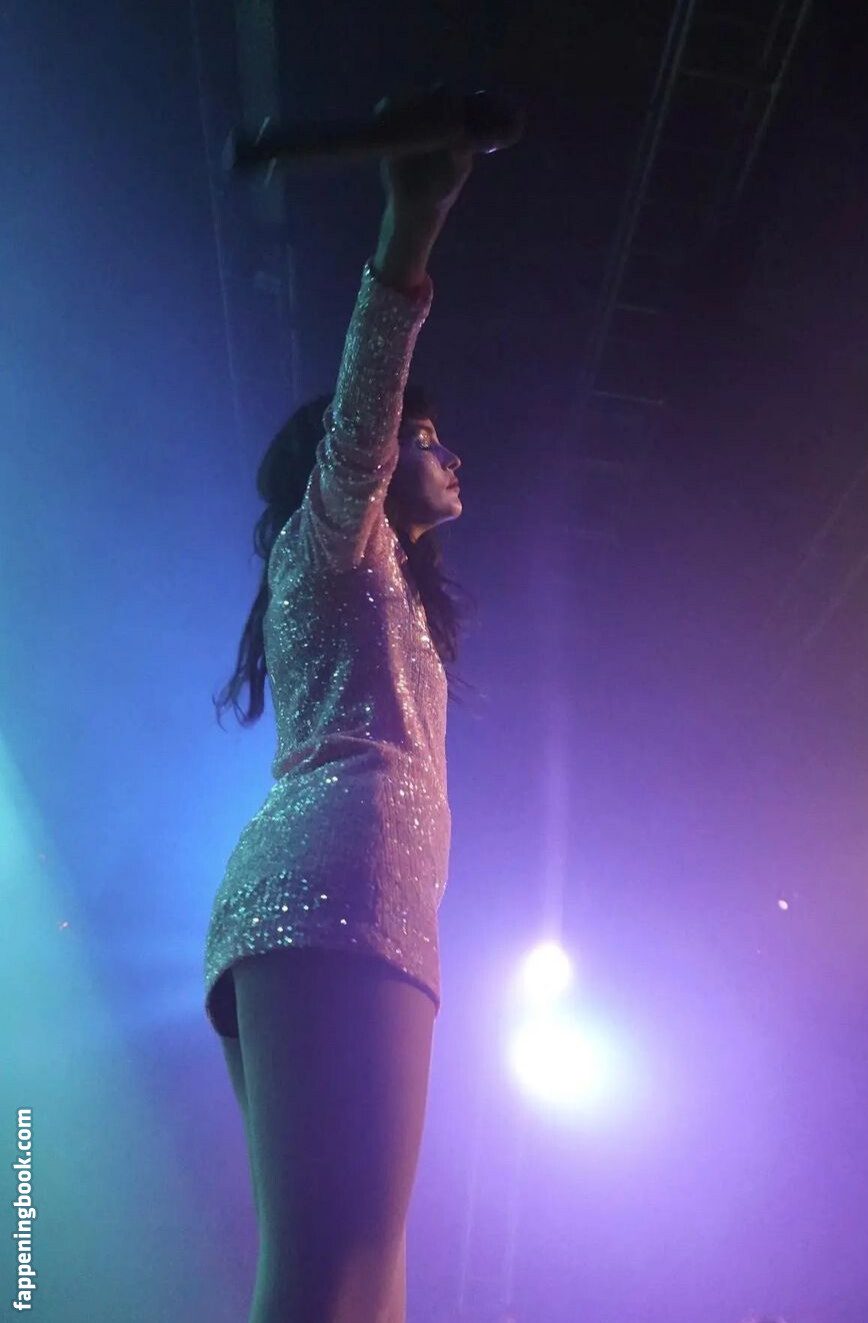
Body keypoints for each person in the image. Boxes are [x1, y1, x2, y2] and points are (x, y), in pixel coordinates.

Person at [203, 90, 475, 1323]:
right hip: (335, 885)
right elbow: (367, 400)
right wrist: (410, 227)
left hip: (365, 899)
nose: (447, 452)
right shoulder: (333, 542)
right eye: (427, 432)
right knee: (337, 1271)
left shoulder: (392, 596)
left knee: (367, 1277)